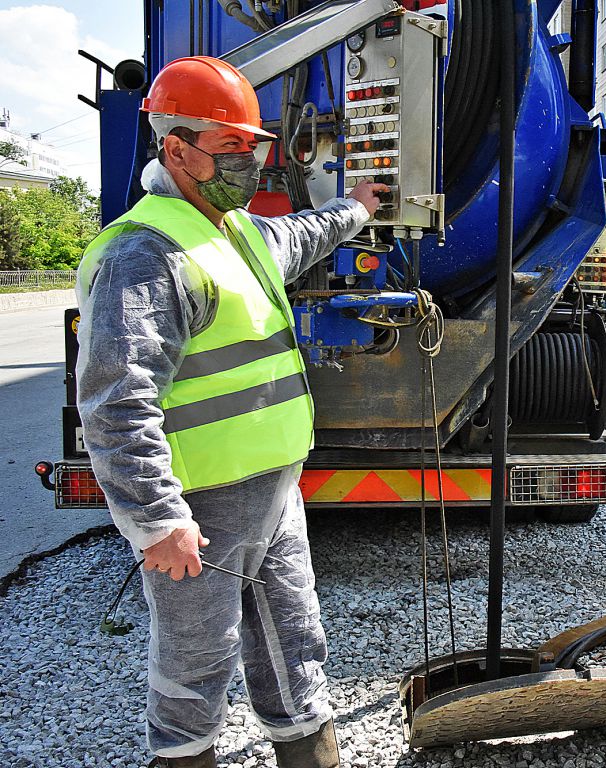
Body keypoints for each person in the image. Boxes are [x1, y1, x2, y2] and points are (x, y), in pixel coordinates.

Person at [76, 57, 389, 767]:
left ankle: (308, 750)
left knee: (292, 631)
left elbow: (300, 236)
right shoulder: (146, 252)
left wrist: (359, 206)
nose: (247, 162)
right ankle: (184, 756)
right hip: (202, 503)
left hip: (273, 489)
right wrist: (157, 519)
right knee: (198, 656)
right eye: (230, 148)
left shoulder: (236, 230)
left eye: (253, 147)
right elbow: (116, 400)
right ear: (176, 147)